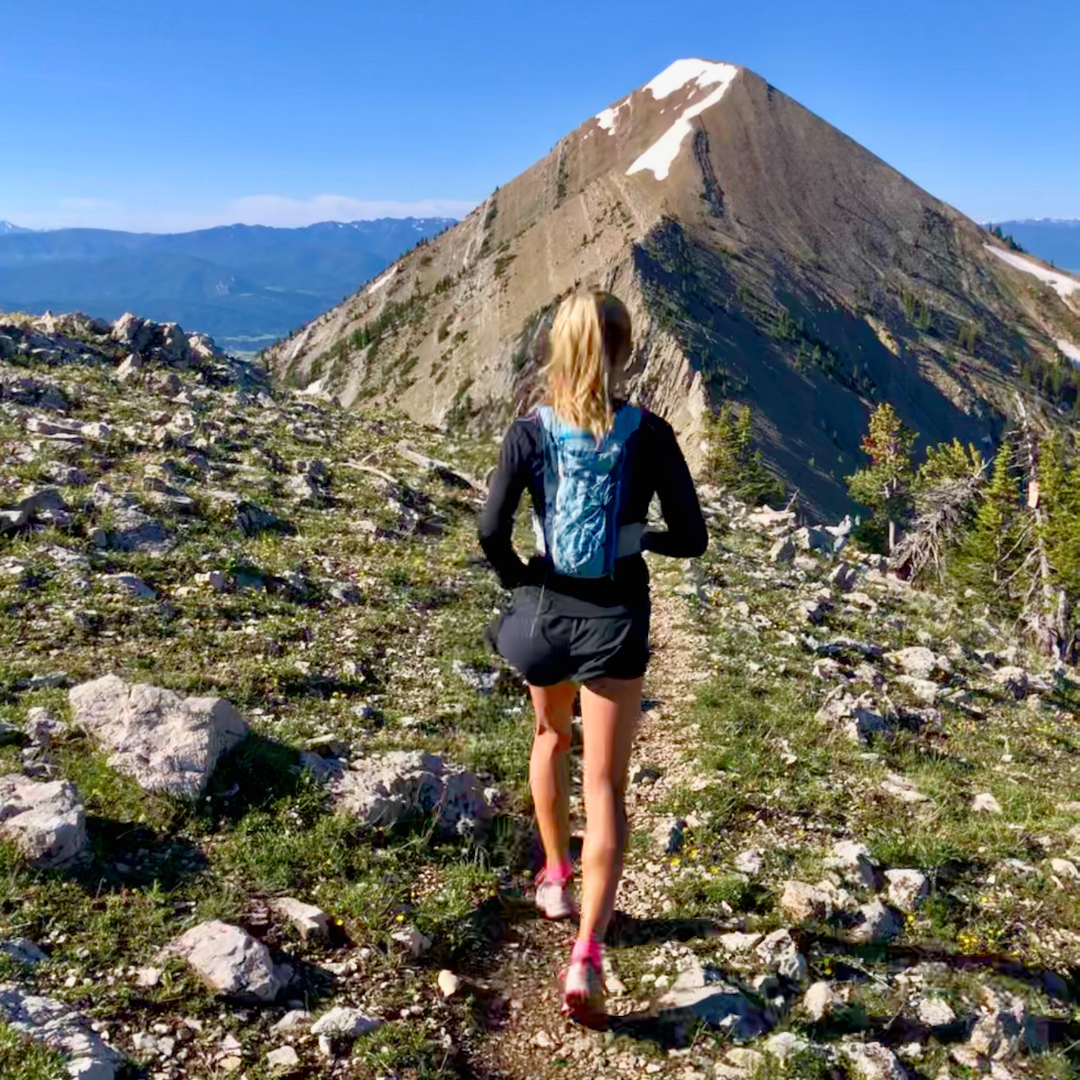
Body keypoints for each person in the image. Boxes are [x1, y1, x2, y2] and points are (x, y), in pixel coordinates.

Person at [478, 287, 708, 1024]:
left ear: (561, 346)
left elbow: (490, 530)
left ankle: (553, 874)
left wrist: (524, 580)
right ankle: (586, 955)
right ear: (622, 349)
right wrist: (637, 540)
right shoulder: (652, 433)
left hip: (545, 614)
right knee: (605, 784)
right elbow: (693, 536)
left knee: (550, 737)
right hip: (615, 619)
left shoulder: (530, 431)